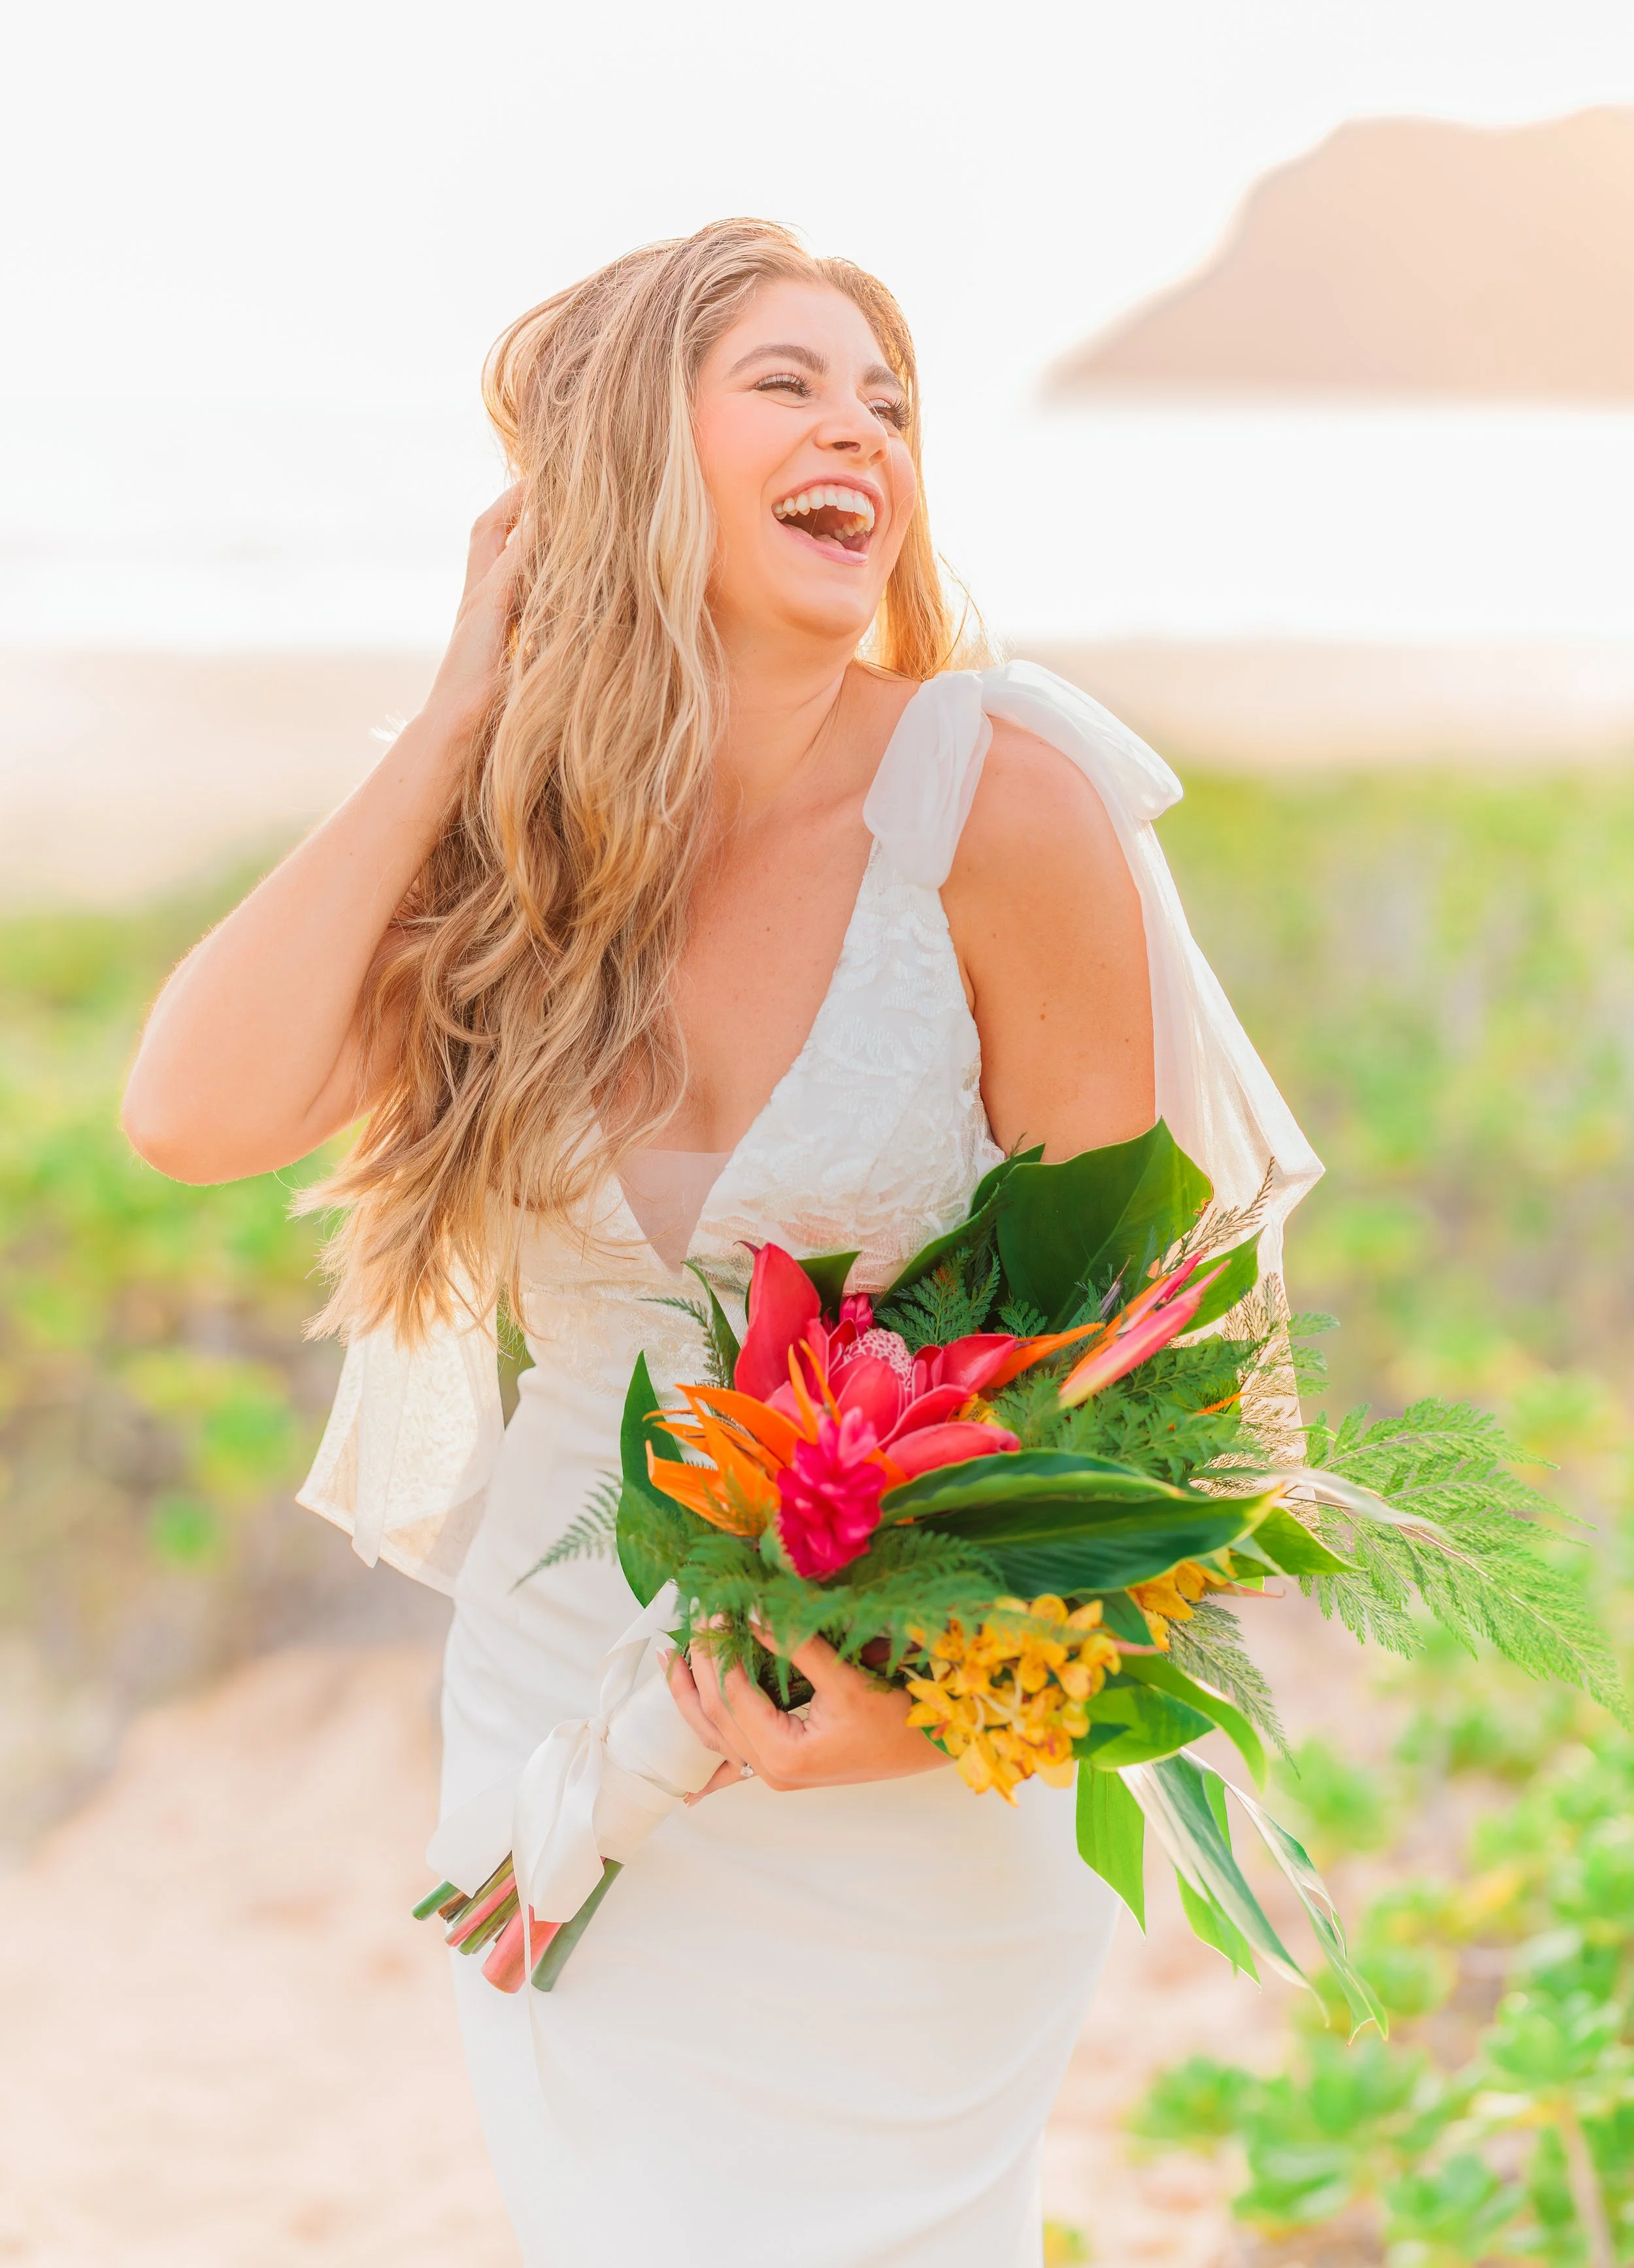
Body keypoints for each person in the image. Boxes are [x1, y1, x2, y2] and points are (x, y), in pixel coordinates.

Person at [122, 218, 1318, 2267]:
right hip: (553, 1719)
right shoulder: (519, 843)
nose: (861, 424)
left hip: (897, 1747)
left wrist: (916, 1704)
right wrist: (454, 713)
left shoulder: (993, 795)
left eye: (890, 399)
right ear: (622, 453)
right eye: (789, 379)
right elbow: (191, 1109)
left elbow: (1146, 1355)